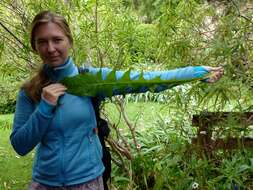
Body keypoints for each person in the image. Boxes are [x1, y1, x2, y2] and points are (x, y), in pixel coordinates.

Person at [10, 10, 224, 190]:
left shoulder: (91, 80)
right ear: (34, 46)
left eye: (57, 39)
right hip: (45, 183)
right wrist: (45, 108)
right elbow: (20, 145)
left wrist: (196, 73)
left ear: (70, 41)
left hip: (88, 181)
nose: (50, 48)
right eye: (42, 42)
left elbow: (146, 80)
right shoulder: (30, 91)